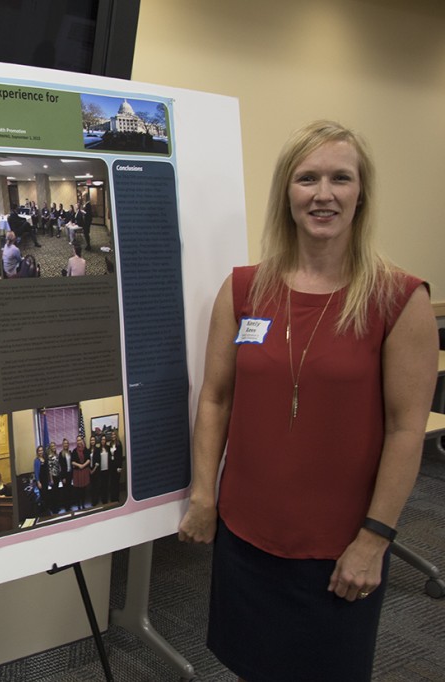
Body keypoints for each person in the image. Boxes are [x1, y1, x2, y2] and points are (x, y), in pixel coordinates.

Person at [177, 120, 437, 682]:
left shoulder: (399, 299)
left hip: (339, 547)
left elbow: (406, 430)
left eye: (341, 178)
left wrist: (374, 540)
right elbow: (217, 398)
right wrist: (204, 493)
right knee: (250, 666)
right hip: (246, 537)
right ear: (286, 193)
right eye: (307, 178)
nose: (324, 193)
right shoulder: (243, 289)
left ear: (361, 192)